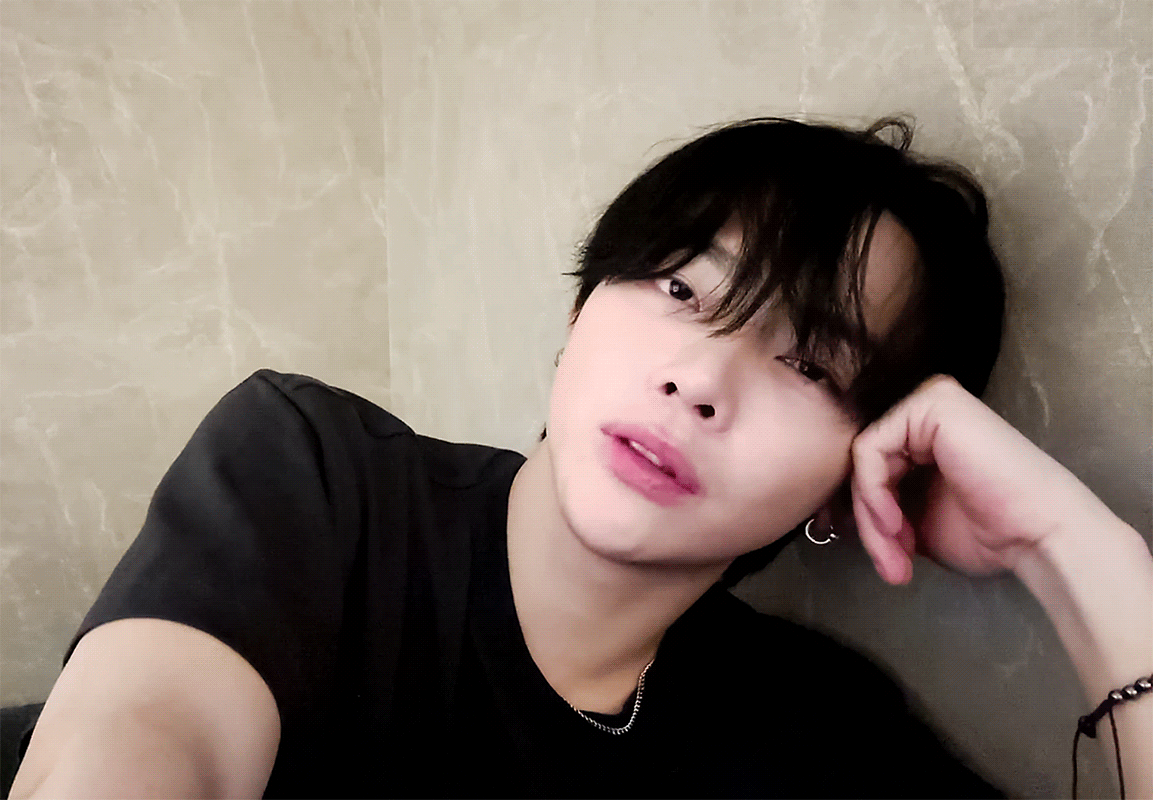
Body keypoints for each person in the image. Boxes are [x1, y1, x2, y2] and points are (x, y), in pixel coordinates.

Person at [10, 118, 1152, 799]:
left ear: (858, 475)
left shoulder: (812, 728)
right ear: (578, 314)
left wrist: (1086, 560)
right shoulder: (320, 476)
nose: (698, 379)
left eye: (811, 363)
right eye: (681, 288)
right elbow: (151, 740)